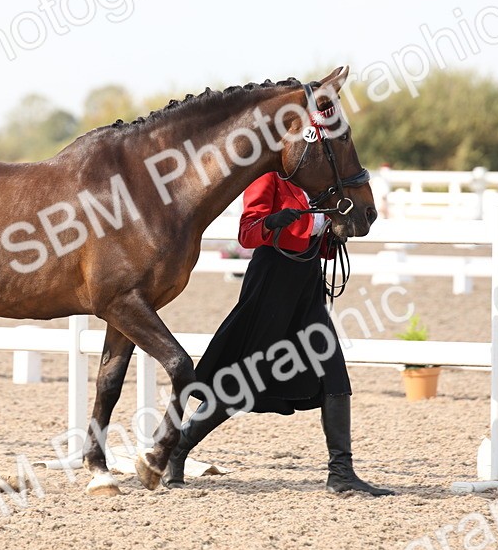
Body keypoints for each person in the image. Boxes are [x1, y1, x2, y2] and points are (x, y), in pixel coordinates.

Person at [163, 171, 394, 496]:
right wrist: (274, 223)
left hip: (306, 285)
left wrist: (334, 236)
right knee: (242, 378)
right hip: (272, 282)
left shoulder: (319, 183)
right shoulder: (269, 177)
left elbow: (319, 244)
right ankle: (178, 447)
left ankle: (341, 471)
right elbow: (247, 233)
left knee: (333, 373)